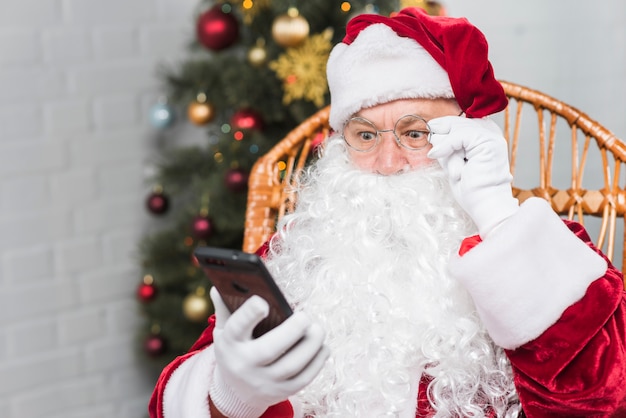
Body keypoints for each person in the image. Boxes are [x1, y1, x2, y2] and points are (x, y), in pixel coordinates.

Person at [149, 7, 626, 418]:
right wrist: (229, 397)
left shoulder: (550, 255)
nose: (388, 163)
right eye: (365, 135)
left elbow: (607, 399)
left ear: (467, 139)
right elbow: (168, 403)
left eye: (415, 133)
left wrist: (499, 218)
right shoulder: (295, 255)